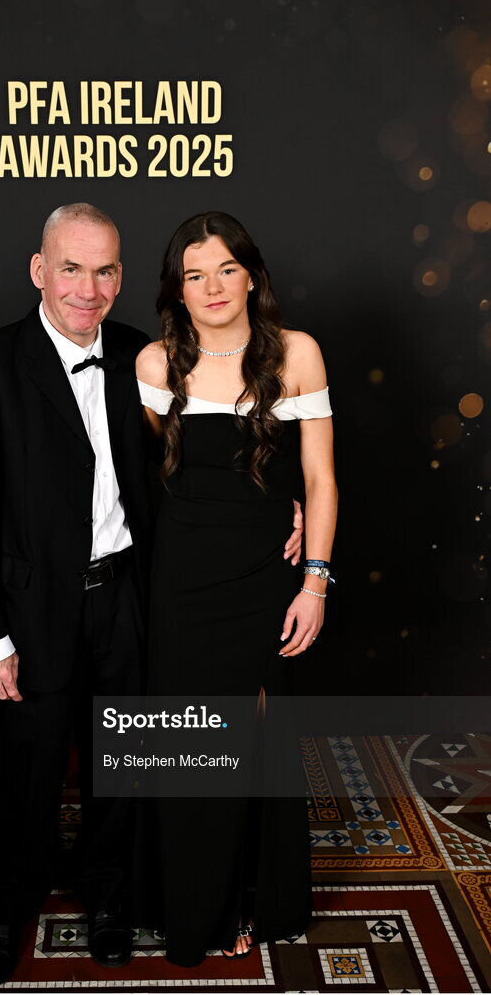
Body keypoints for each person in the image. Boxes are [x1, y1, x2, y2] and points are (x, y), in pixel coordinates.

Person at [0, 203, 154, 986]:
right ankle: (8, 907)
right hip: (30, 612)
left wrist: (284, 510)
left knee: (120, 759)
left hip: (125, 598)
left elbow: (200, 466)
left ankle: (108, 897)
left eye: (103, 271)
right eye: (70, 267)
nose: (86, 289)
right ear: (39, 270)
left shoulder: (143, 356)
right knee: (26, 770)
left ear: (120, 278)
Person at [134, 210, 337, 967]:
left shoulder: (297, 354)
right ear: (176, 290)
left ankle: (254, 898)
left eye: (224, 268)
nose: (211, 286)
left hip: (264, 580)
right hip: (181, 584)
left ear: (251, 274)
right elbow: (158, 480)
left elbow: (319, 478)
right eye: (193, 274)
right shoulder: (155, 365)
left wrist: (313, 578)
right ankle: (195, 906)